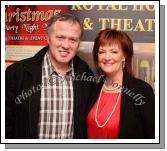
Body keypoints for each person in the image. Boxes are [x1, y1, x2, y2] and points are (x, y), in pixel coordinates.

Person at [5, 12, 94, 139]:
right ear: (48, 38)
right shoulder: (17, 73)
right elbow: (6, 123)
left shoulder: (86, 75)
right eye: (60, 37)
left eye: (73, 39)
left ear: (78, 43)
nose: (66, 45)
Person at [86, 29, 155, 139]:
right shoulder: (93, 89)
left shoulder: (142, 91)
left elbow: (153, 137)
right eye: (102, 52)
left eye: (114, 52)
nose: (107, 57)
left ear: (124, 56)